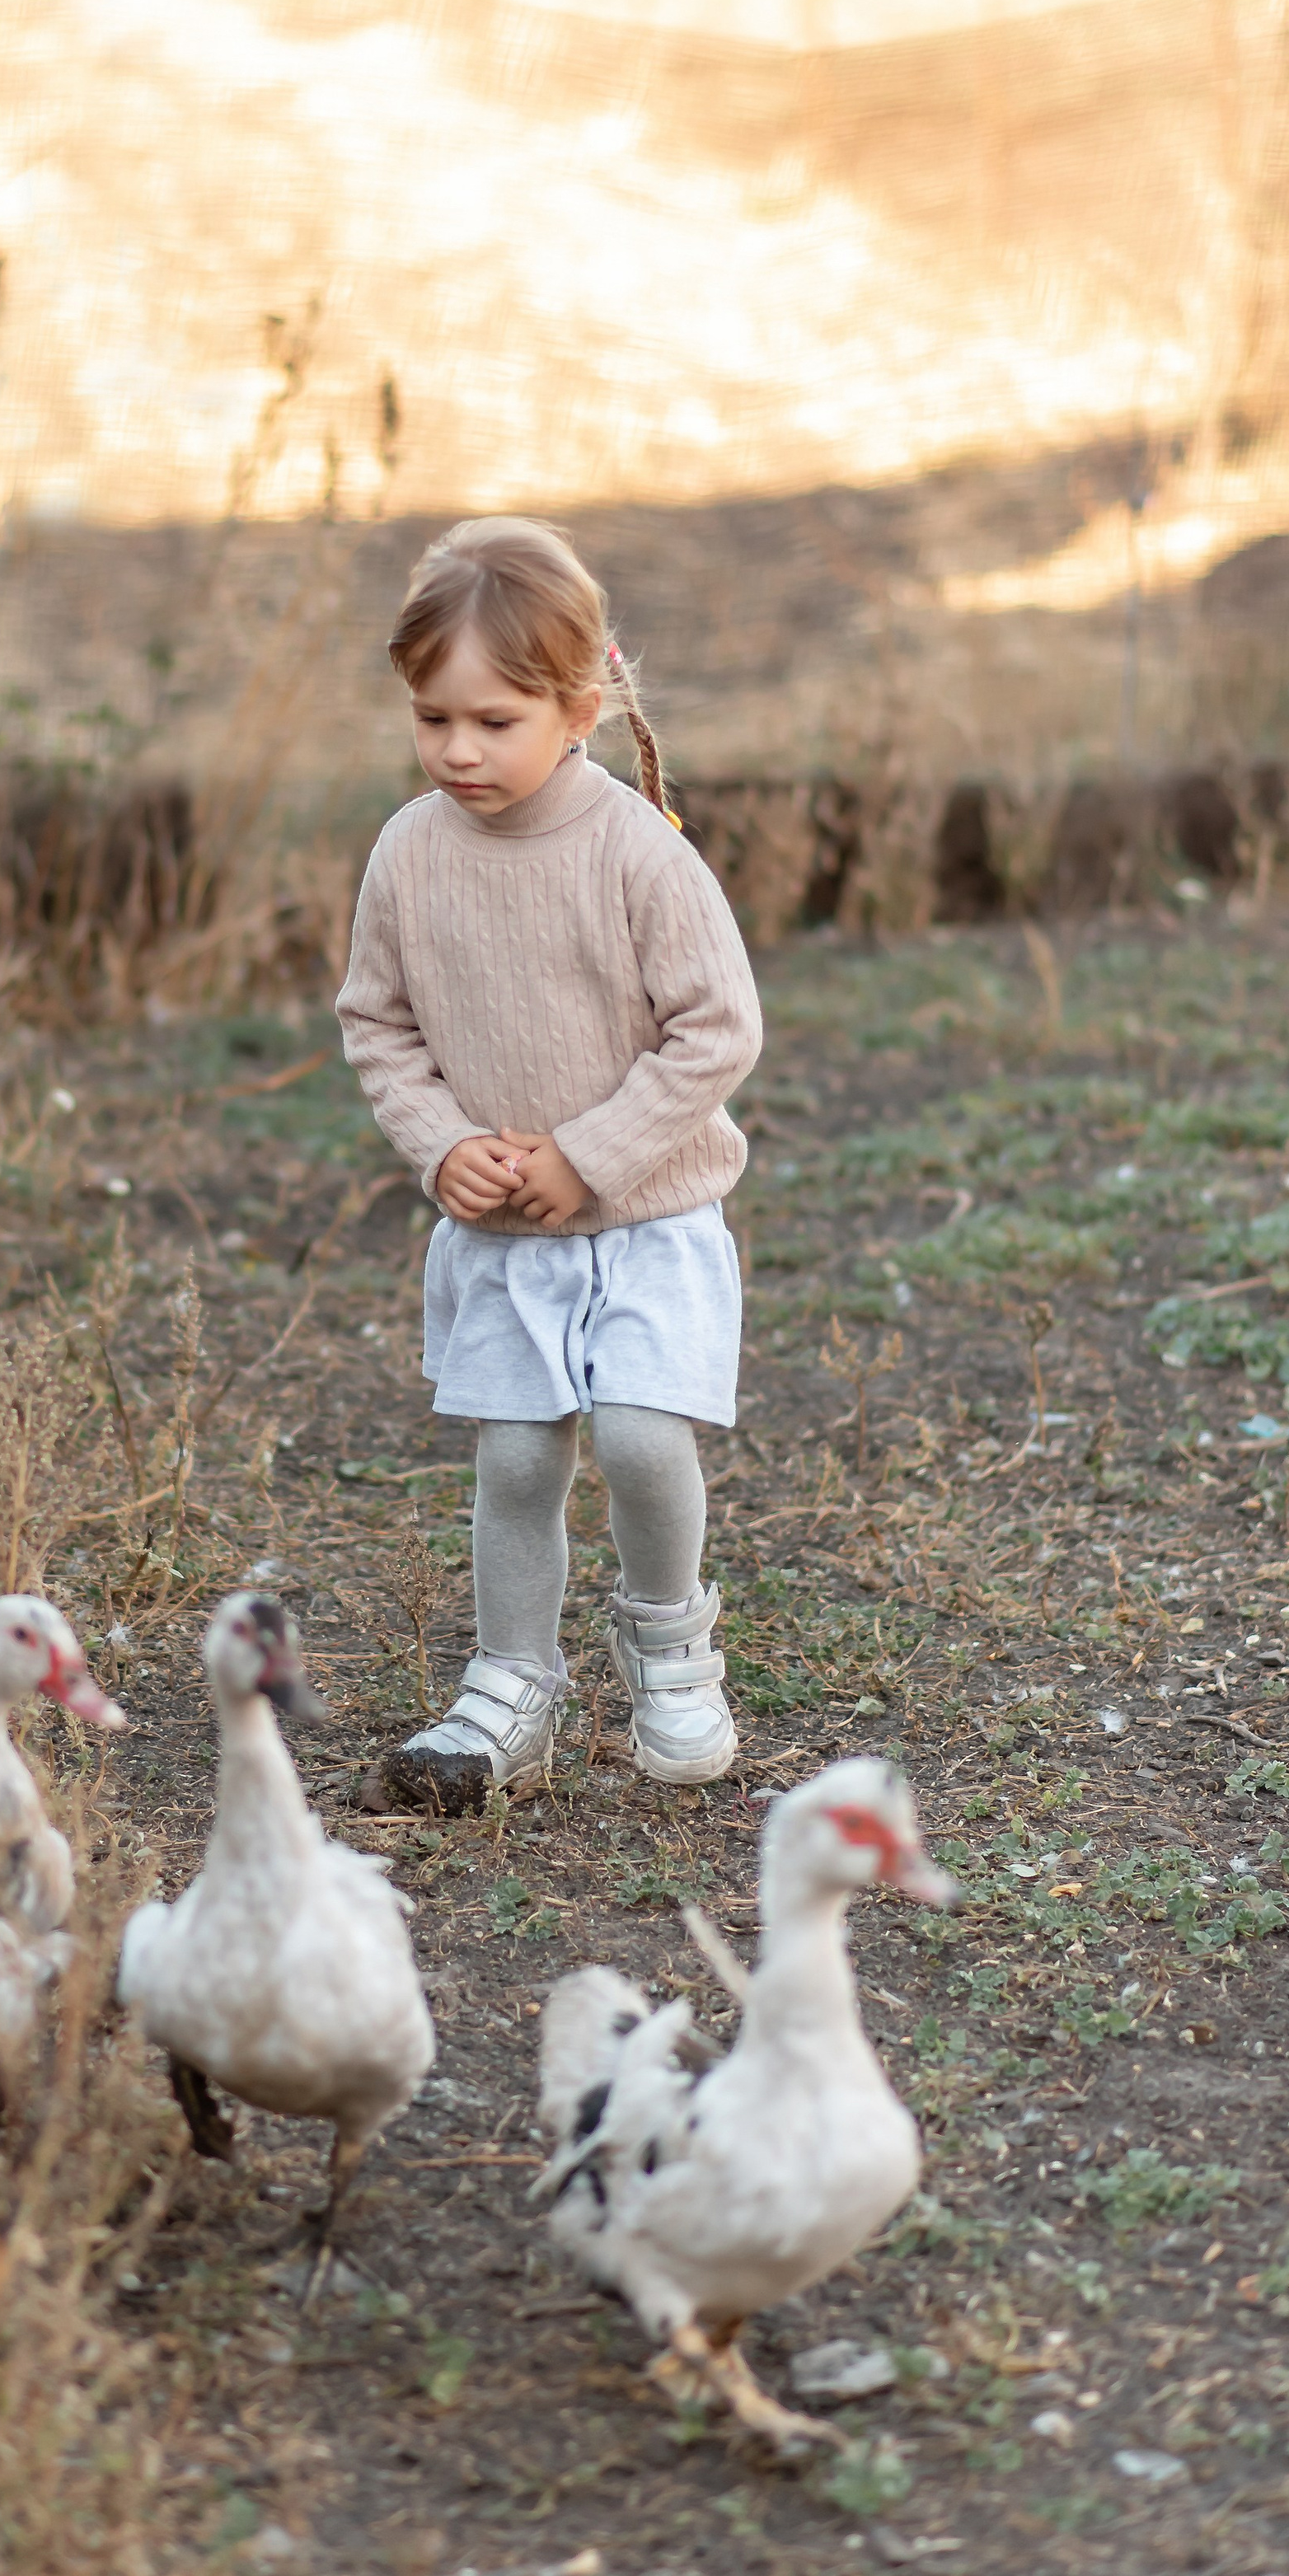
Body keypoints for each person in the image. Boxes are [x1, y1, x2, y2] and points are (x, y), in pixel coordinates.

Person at [335, 517, 761, 1808]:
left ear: (580, 707)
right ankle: (510, 1682)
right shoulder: (409, 852)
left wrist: (591, 1156)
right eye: (433, 718)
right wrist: (444, 1146)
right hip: (505, 1237)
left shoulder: (635, 849)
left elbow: (718, 1028)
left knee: (637, 1437)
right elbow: (378, 1023)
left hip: (646, 1218)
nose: (459, 749)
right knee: (518, 1460)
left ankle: (671, 1648)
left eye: (496, 720)